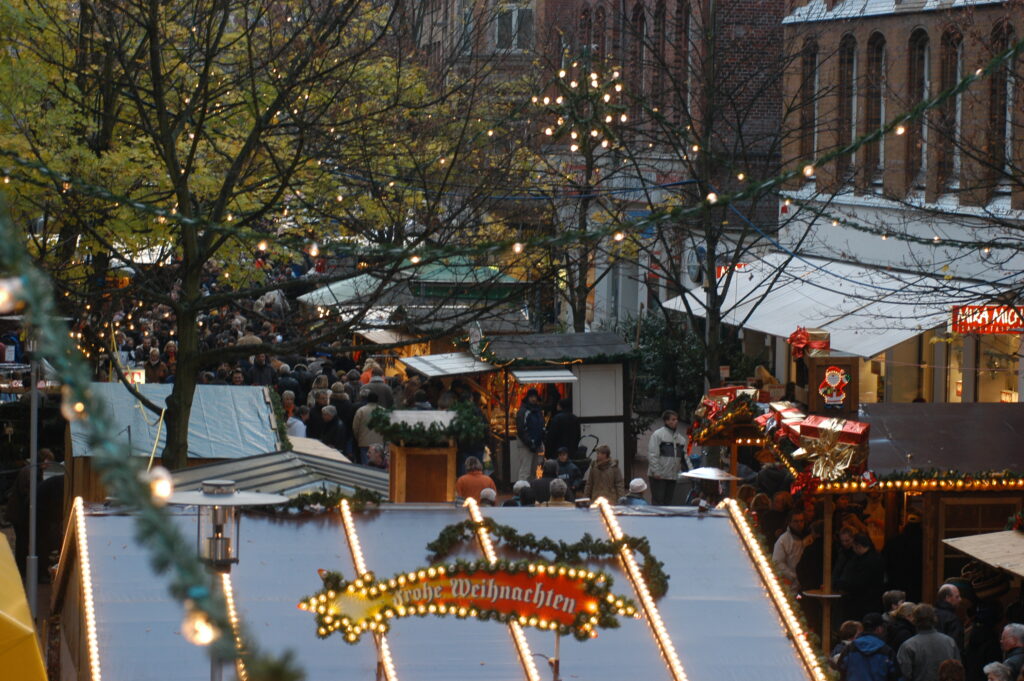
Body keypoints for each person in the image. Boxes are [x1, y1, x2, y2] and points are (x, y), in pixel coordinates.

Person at [6, 448, 54, 576]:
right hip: (20, 514)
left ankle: (22, 569)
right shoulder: (31, 472)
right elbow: (28, 493)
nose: (49, 465)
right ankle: (21, 570)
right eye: (48, 462)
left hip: (21, 513)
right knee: (22, 541)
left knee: (23, 541)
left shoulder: (33, 471)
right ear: (43, 460)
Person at [896, 604, 960, 681]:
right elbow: (957, 670)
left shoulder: (908, 646)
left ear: (914, 620)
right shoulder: (949, 642)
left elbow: (905, 673)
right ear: (934, 618)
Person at [836, 533, 887, 622]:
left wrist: (841, 584)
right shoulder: (876, 557)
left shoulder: (864, 561)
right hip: (872, 601)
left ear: (858, 546)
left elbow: (858, 582)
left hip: (861, 602)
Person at [837, 612, 898, 681]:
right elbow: (896, 676)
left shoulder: (849, 649)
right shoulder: (887, 651)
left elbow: (838, 673)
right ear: (879, 629)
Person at [646, 409, 687, 505]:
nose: (675, 421)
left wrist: (690, 472)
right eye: (673, 419)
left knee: (668, 502)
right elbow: (653, 454)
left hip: (672, 476)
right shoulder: (658, 435)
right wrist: (656, 471)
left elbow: (684, 457)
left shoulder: (680, 439)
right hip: (659, 476)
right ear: (666, 421)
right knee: (658, 501)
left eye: (676, 419)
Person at [772, 510, 814, 593]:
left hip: (807, 584)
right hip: (791, 585)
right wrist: (793, 576)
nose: (799, 524)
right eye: (796, 521)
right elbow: (777, 562)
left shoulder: (809, 538)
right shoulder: (783, 540)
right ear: (790, 522)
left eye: (801, 521)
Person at [514, 388, 545, 481]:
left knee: (537, 468)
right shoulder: (523, 411)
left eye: (535, 397)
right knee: (526, 471)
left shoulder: (537, 411)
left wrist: (538, 441)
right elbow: (521, 430)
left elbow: (541, 426)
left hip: (537, 444)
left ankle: (534, 488)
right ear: (528, 398)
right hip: (527, 446)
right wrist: (530, 443)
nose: (534, 399)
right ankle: (523, 491)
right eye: (531, 397)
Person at [352, 391, 384, 465]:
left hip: (364, 441)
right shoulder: (383, 411)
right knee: (379, 463)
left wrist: (358, 438)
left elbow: (355, 427)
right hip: (379, 441)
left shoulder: (361, 411)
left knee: (366, 463)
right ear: (377, 400)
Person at [935, 584, 965, 653]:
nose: (960, 599)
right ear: (948, 598)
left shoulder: (930, 616)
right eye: (957, 597)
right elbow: (956, 646)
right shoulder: (953, 619)